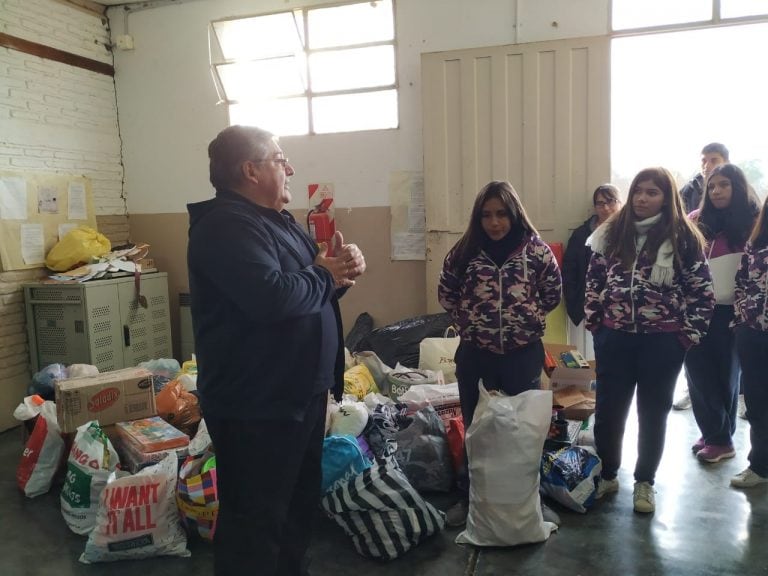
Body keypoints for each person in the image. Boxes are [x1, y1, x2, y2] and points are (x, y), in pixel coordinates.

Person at [187, 125, 365, 576]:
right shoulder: (225, 226)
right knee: (256, 521)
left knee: (295, 507)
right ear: (250, 170)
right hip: (256, 403)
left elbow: (304, 293)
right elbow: (270, 297)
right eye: (279, 157)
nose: (288, 167)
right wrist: (325, 274)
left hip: (296, 394)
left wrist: (338, 274)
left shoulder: (279, 223)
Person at [585, 167, 715, 514]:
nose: (642, 198)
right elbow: (594, 281)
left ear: (667, 197)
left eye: (652, 192)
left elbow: (702, 293)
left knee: (653, 413)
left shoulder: (684, 238)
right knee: (609, 412)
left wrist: (686, 337)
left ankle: (645, 482)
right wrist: (597, 325)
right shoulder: (612, 233)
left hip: (662, 343)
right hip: (615, 338)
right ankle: (608, 473)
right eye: (638, 191)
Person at [437, 180, 562, 526]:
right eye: (487, 215)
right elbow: (446, 294)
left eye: (501, 214)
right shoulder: (463, 254)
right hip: (476, 355)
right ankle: (470, 500)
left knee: (524, 431)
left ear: (514, 214)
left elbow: (552, 294)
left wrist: (529, 318)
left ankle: (529, 501)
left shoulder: (537, 252)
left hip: (523, 354)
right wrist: (472, 323)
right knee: (477, 428)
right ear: (478, 218)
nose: (494, 222)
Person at [685, 164, 758, 463]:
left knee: (727, 373)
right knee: (698, 371)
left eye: (723, 185)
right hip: (698, 308)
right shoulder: (696, 220)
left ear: (737, 187)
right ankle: (715, 432)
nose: (715, 191)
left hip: (737, 311)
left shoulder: (755, 221)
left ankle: (720, 437)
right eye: (711, 187)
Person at [673, 142, 729, 411]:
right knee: (697, 361)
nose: (707, 165)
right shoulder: (690, 196)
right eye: (704, 160)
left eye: (714, 159)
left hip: (732, 305)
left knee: (727, 366)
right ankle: (709, 424)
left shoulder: (747, 209)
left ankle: (728, 416)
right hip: (697, 300)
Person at [731, 194, 768, 488]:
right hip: (754, 334)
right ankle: (760, 467)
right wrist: (742, 318)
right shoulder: (755, 246)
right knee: (757, 403)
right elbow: (741, 283)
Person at [562, 184, 622, 360]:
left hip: (620, 308)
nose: (605, 208)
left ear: (620, 203)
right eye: (600, 203)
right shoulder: (582, 234)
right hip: (589, 304)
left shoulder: (629, 233)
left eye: (610, 202)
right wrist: (574, 298)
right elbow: (569, 268)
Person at [680, 142, 729, 215]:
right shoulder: (689, 190)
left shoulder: (740, 188)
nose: (707, 166)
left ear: (726, 163)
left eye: (714, 161)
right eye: (704, 161)